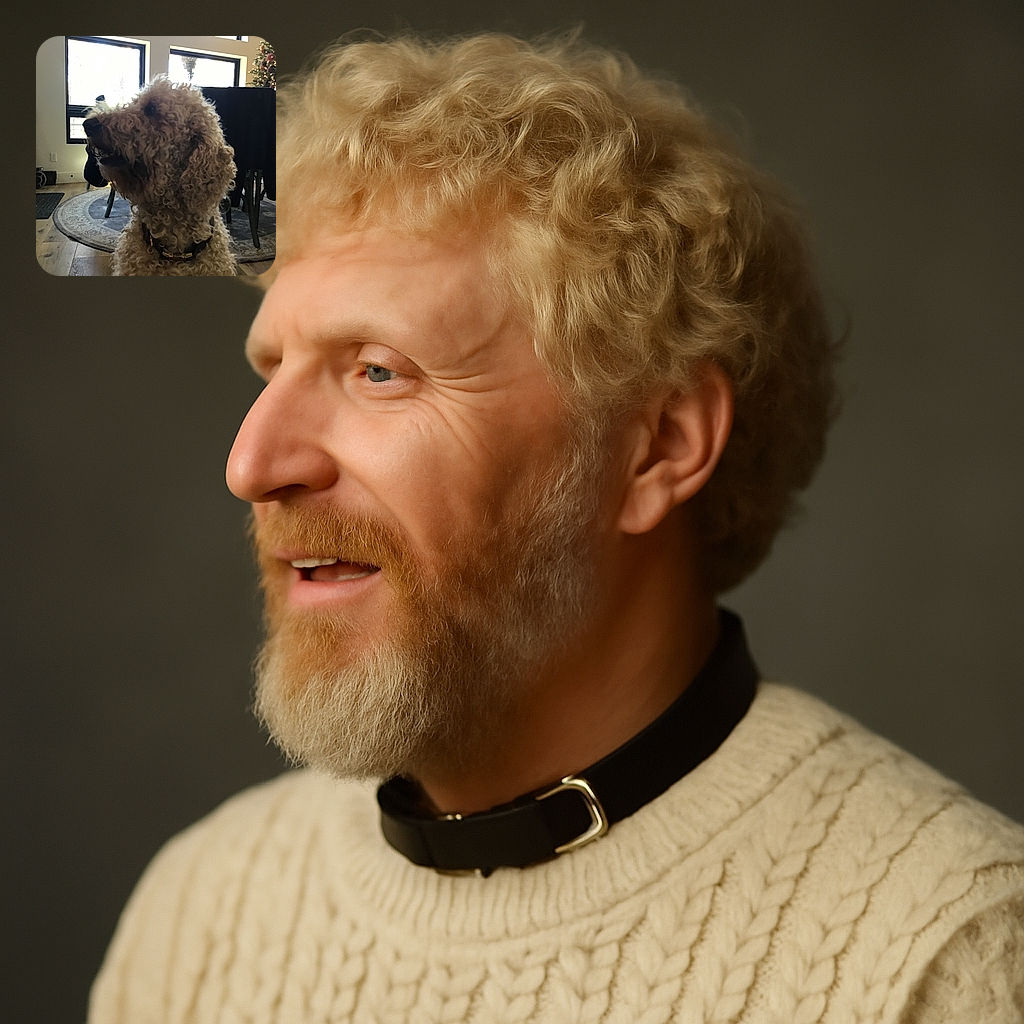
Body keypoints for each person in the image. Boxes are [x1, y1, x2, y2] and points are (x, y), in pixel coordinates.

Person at [88, 32, 1024, 1023]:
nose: (252, 464)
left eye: (378, 370)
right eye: (271, 370)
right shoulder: (201, 912)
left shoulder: (943, 956)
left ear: (657, 446)